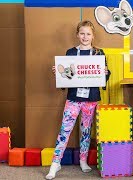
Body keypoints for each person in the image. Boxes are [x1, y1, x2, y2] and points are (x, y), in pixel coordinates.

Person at [46, 20, 110, 180]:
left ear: (93, 36)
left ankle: (83, 160)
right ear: (77, 34)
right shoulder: (70, 53)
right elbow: (67, 76)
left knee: (86, 130)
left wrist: (106, 72)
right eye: (82, 33)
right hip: (74, 98)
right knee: (65, 130)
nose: (85, 36)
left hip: (91, 99)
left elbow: (104, 76)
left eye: (88, 34)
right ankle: (55, 163)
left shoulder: (99, 53)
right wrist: (59, 74)